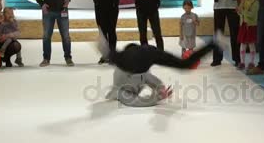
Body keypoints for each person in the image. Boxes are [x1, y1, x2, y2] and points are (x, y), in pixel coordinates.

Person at [97, 30, 228, 107]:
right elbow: (151, 79)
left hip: (133, 60)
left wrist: (157, 97)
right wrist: (161, 90)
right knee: (185, 64)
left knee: (121, 61)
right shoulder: (139, 76)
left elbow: (137, 102)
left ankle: (109, 53)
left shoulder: (121, 92)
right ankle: (214, 43)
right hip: (147, 53)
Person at [237, 0, 259, 71]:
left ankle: (252, 62)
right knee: (242, 44)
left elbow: (252, 15)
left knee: (251, 44)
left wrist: (242, 11)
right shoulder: (244, 1)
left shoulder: (256, 2)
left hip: (251, 26)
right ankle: (242, 62)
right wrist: (239, 10)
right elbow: (240, 12)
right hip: (243, 25)